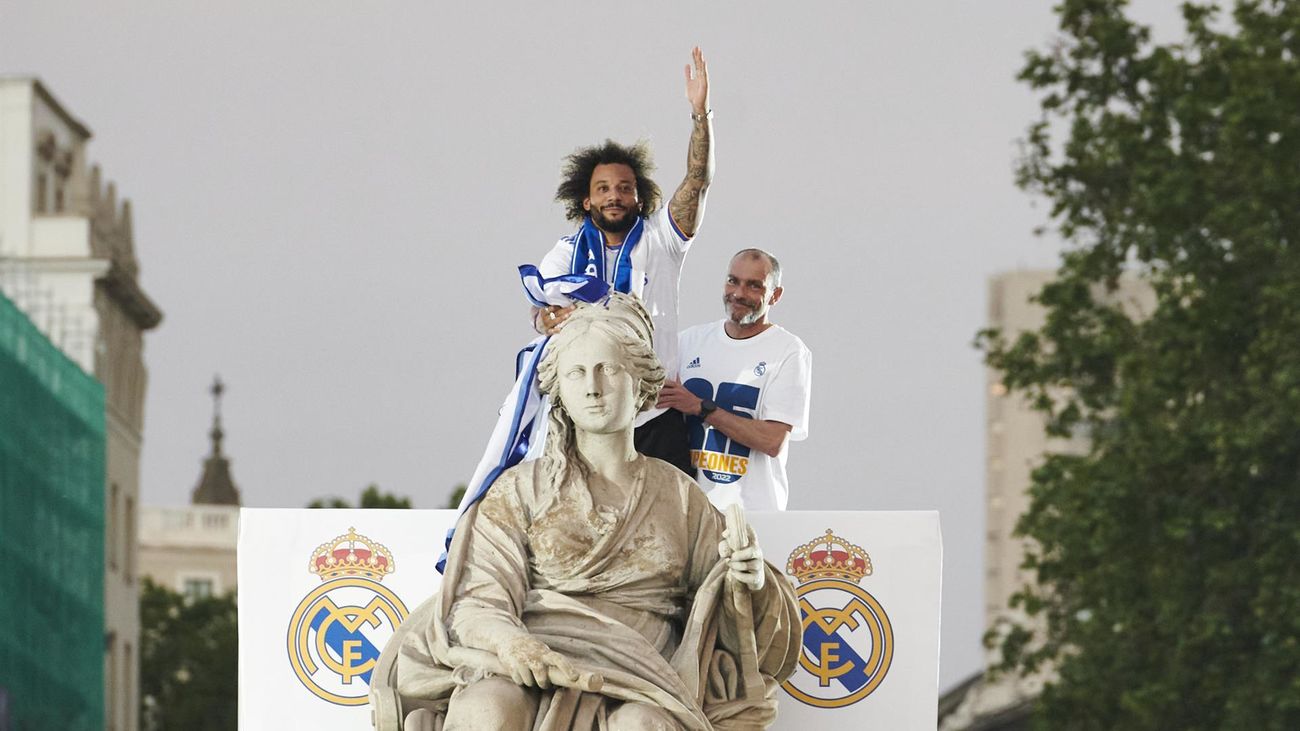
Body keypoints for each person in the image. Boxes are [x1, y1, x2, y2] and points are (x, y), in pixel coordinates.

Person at [378, 294, 800, 731]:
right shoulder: (521, 488)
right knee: (485, 709)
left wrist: (747, 582)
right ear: (558, 387)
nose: (593, 387)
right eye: (577, 372)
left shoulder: (680, 495)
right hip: (531, 656)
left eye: (608, 369)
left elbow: (723, 611)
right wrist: (514, 645)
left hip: (641, 673)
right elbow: (477, 600)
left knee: (642, 727)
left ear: (641, 383)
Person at [532, 47, 715, 475]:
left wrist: (701, 114)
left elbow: (698, 182)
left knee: (671, 528)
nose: (614, 195)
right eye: (603, 188)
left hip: (655, 414)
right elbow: (542, 310)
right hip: (589, 419)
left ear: (639, 195)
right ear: (586, 198)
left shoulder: (662, 239)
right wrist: (546, 320)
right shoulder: (565, 252)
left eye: (624, 187)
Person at [657, 249, 812, 511]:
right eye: (733, 281)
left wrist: (700, 407)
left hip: (753, 514)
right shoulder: (688, 342)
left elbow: (772, 441)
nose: (739, 294)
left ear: (775, 295)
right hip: (687, 513)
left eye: (754, 286)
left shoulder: (787, 351)